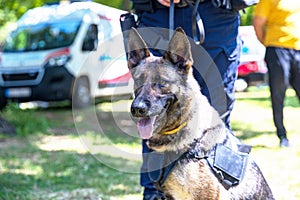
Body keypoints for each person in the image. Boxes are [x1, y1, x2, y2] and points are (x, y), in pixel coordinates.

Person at [128, 0, 242, 199]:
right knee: (152, 117)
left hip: (213, 12)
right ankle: (156, 193)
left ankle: (218, 191)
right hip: (157, 10)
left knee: (217, 115)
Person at [253, 0, 300, 148]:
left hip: (297, 49)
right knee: (278, 94)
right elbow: (258, 24)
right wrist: (269, 44)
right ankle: (282, 135)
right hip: (277, 49)